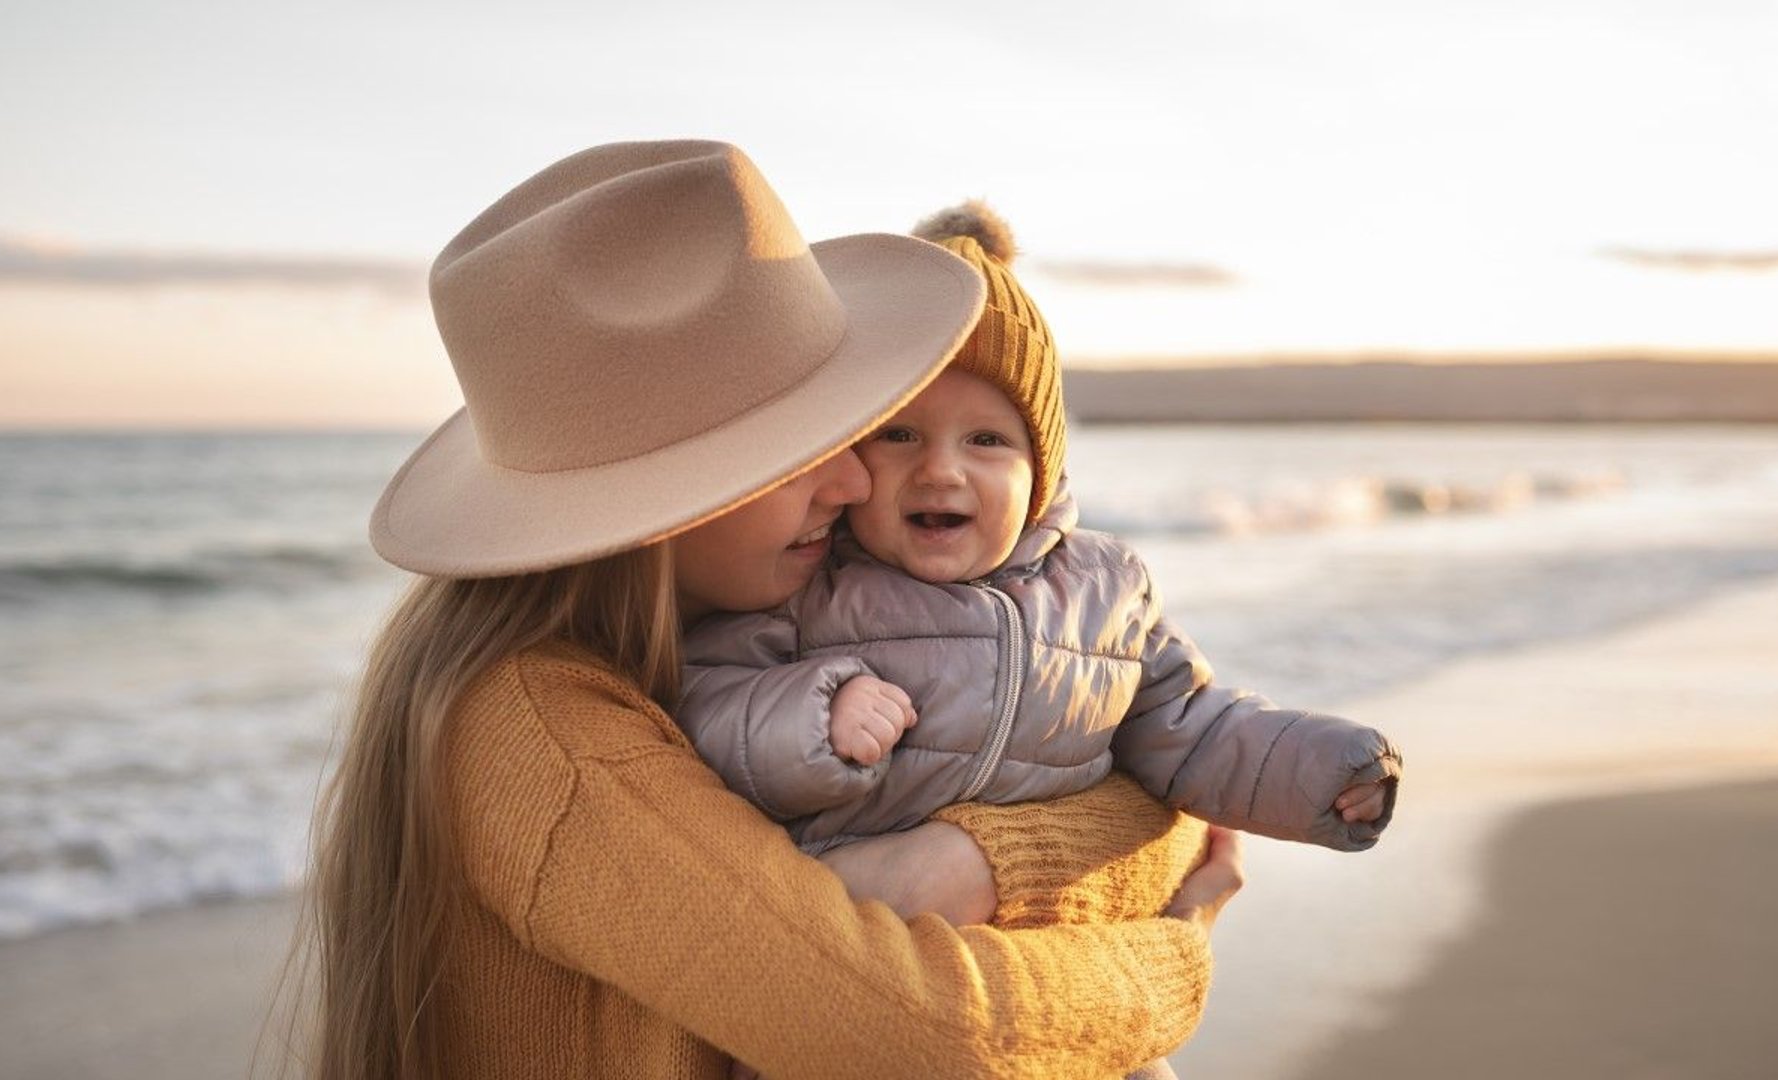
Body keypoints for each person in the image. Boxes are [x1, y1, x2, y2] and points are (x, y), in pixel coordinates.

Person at [282, 140, 1244, 1080]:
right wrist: (1177, 950)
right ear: (657, 501)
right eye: (796, 443)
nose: (856, 474)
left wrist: (980, 862)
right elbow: (920, 1034)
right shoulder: (545, 737)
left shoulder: (690, 664)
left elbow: (1131, 799)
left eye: (853, 426)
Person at [678, 201, 1402, 858]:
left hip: (1020, 936)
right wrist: (814, 714)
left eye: (986, 442)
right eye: (899, 435)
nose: (941, 472)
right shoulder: (815, 587)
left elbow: (1191, 726)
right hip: (855, 921)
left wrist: (1325, 773)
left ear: (1042, 471)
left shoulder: (1106, 589)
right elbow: (704, 704)